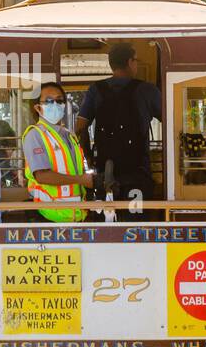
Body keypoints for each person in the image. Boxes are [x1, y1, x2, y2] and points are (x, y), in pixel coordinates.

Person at [75, 44, 161, 217]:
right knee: (137, 225)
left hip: (104, 172)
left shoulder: (95, 90)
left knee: (105, 223)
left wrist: (89, 157)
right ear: (130, 62)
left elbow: (80, 128)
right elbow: (171, 121)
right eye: (136, 60)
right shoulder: (147, 90)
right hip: (138, 171)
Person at [22, 82, 93, 223]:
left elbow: (76, 169)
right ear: (37, 107)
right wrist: (81, 179)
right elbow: (42, 176)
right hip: (50, 216)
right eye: (49, 101)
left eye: (59, 100)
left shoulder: (69, 135)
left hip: (76, 215)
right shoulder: (35, 135)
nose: (55, 104)